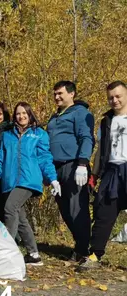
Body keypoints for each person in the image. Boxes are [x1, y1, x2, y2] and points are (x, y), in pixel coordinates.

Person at [0, 102, 61, 266]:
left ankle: (7, 253)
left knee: (10, 208)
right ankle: (34, 254)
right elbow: (0, 158)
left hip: (29, 180)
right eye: (18, 114)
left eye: (24, 113)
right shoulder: (7, 135)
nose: (21, 116)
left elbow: (45, 159)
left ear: (30, 115)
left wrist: (53, 179)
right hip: (9, 182)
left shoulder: (39, 134)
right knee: (20, 218)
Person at [78, 81, 127, 270]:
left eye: (118, 96)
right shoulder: (106, 121)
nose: (114, 100)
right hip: (112, 171)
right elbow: (100, 151)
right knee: (103, 211)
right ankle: (95, 255)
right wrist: (94, 175)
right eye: (110, 97)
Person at [47, 80, 95, 262]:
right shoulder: (55, 116)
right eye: (55, 94)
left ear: (71, 93)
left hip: (74, 166)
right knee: (65, 209)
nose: (57, 97)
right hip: (56, 168)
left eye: (60, 93)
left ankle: (83, 250)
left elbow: (86, 138)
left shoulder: (80, 113)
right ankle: (80, 244)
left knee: (77, 208)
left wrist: (82, 163)